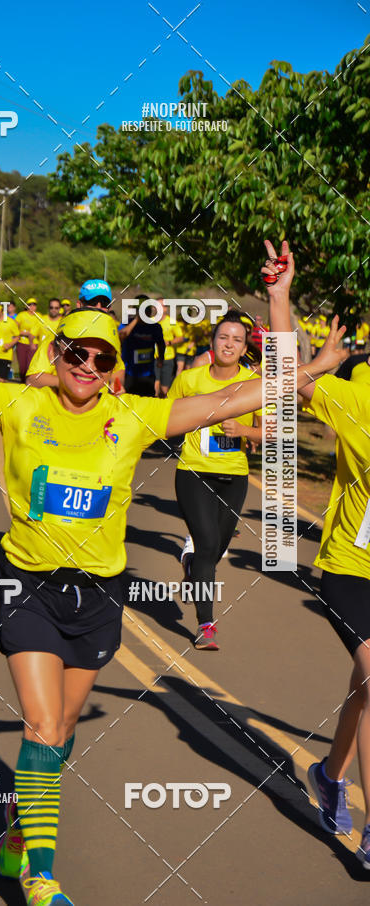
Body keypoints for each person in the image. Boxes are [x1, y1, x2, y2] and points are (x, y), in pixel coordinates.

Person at [0, 230, 344, 905]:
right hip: (28, 587)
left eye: (100, 355)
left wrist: (279, 298)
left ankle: (15, 830)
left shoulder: (136, 414)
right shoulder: (19, 404)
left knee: (57, 738)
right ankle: (42, 876)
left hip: (98, 598)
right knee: (41, 727)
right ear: (56, 355)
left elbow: (264, 392)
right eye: (75, 352)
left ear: (112, 365)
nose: (86, 364)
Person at [263, 239, 370, 868]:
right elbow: (286, 383)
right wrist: (280, 298)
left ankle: (330, 775)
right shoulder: (358, 398)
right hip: (351, 568)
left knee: (364, 685)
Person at [168, 310, 265, 649]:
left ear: (243, 349)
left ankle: (192, 563)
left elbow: (270, 433)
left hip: (234, 476)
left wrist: (244, 430)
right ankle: (205, 623)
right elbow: (166, 418)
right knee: (208, 544)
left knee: (217, 548)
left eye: (237, 340)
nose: (229, 344)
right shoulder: (191, 380)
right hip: (194, 471)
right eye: (224, 337)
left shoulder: (255, 383)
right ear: (212, 342)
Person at [26, 279, 125, 393]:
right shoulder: (60, 335)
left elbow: (118, 369)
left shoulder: (110, 339)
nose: (98, 307)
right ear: (79, 305)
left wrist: (115, 383)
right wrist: (77, 383)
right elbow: (33, 379)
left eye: (104, 303)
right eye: (92, 302)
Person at [119, 305, 165, 396]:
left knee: (147, 402)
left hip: (148, 373)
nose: (145, 314)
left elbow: (161, 344)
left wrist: (161, 358)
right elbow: (120, 336)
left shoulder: (155, 326)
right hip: (129, 372)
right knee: (129, 401)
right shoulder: (127, 324)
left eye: (147, 312)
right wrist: (136, 320)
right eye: (142, 312)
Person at [155, 298, 184, 398]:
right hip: (154, 358)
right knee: (155, 386)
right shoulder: (149, 321)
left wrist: (169, 342)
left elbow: (180, 337)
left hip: (168, 358)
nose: (160, 308)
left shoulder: (172, 322)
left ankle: (162, 409)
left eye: (162, 306)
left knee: (164, 390)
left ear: (166, 309)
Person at [15, 298, 40, 381]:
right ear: (26, 306)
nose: (32, 306)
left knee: (30, 366)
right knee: (22, 367)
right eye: (30, 304)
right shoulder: (21, 315)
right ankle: (22, 382)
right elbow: (13, 329)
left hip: (34, 344)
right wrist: (22, 333)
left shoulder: (39, 316)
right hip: (22, 343)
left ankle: (28, 383)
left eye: (34, 304)